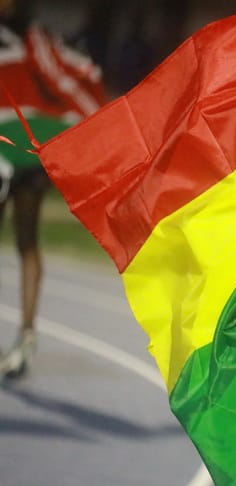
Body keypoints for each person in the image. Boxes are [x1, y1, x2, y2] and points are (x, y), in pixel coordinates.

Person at [0, 0, 102, 378]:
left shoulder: (33, 38)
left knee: (27, 240)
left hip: (24, 149)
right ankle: (23, 336)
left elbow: (67, 76)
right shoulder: (30, 38)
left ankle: (27, 334)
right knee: (22, 242)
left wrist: (92, 121)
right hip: (13, 146)